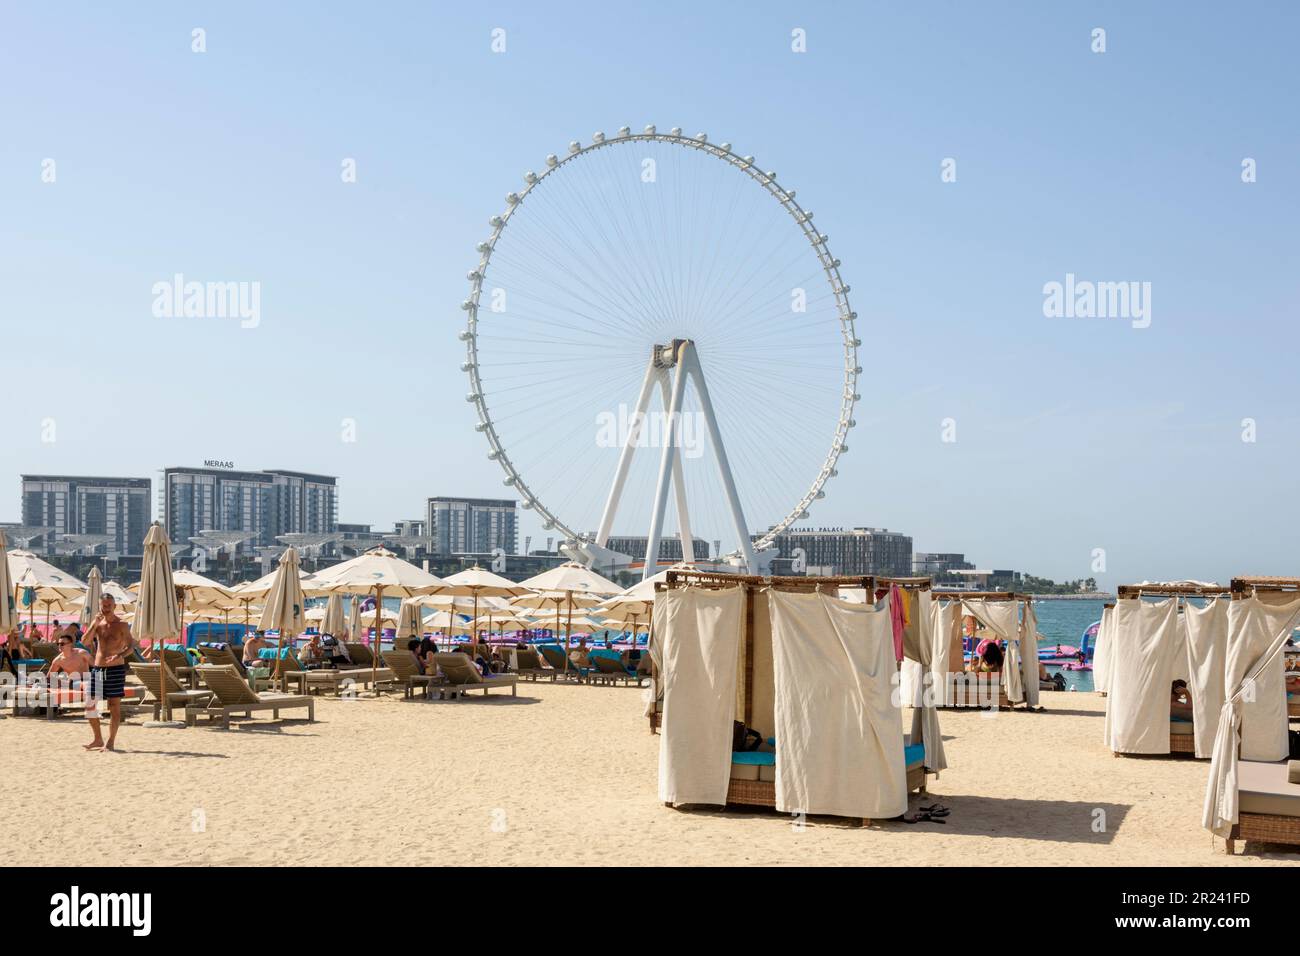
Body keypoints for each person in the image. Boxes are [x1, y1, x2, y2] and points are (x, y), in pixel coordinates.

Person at [82, 593, 135, 752]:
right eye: (103, 606)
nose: (105, 609)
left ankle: (110, 741)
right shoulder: (97, 624)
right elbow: (84, 642)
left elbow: (132, 646)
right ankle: (98, 739)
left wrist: (119, 655)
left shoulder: (122, 625)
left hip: (116, 669)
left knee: (114, 706)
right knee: (90, 705)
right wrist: (93, 625)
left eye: (108, 606)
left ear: (114, 606)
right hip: (98, 668)